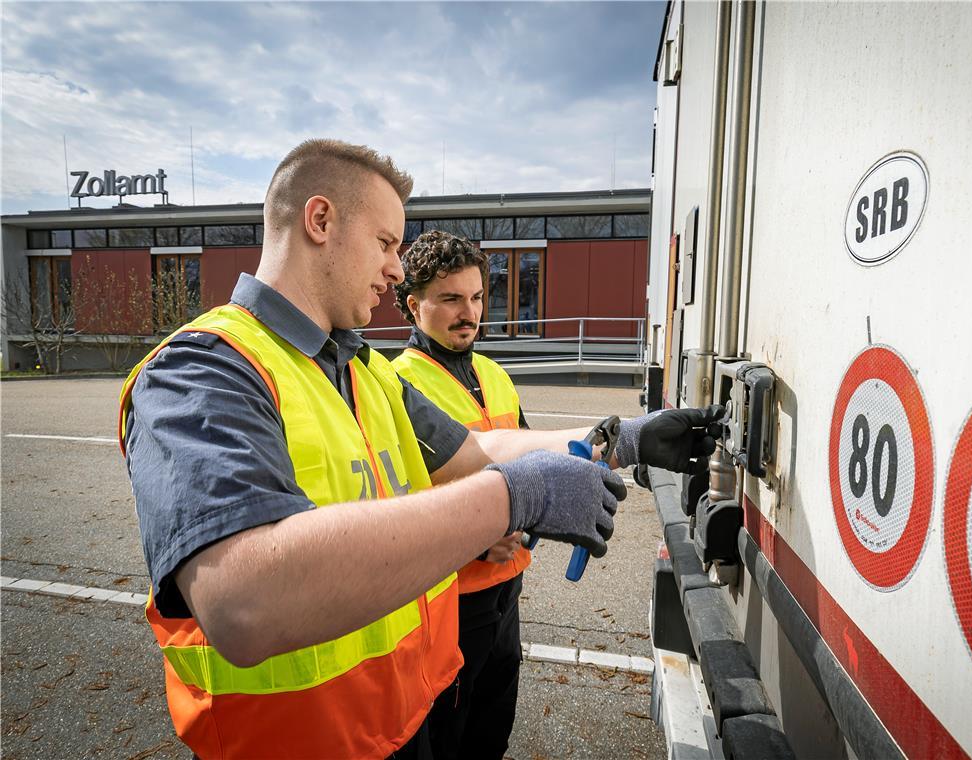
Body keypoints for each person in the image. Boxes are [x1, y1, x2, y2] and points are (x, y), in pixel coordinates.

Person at [118, 138, 724, 759]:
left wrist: (620, 439)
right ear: (319, 220)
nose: (398, 269)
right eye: (385, 243)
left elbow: (480, 451)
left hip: (405, 727)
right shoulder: (202, 371)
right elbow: (243, 602)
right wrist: (513, 500)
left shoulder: (364, 369)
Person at [391, 231, 532, 757]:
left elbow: (528, 462)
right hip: (446, 598)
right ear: (414, 304)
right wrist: (474, 540)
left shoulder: (495, 374)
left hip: (507, 588)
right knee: (446, 732)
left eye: (475, 298)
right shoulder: (394, 383)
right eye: (450, 299)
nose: (468, 312)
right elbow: (393, 499)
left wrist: (533, 517)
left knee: (493, 725)